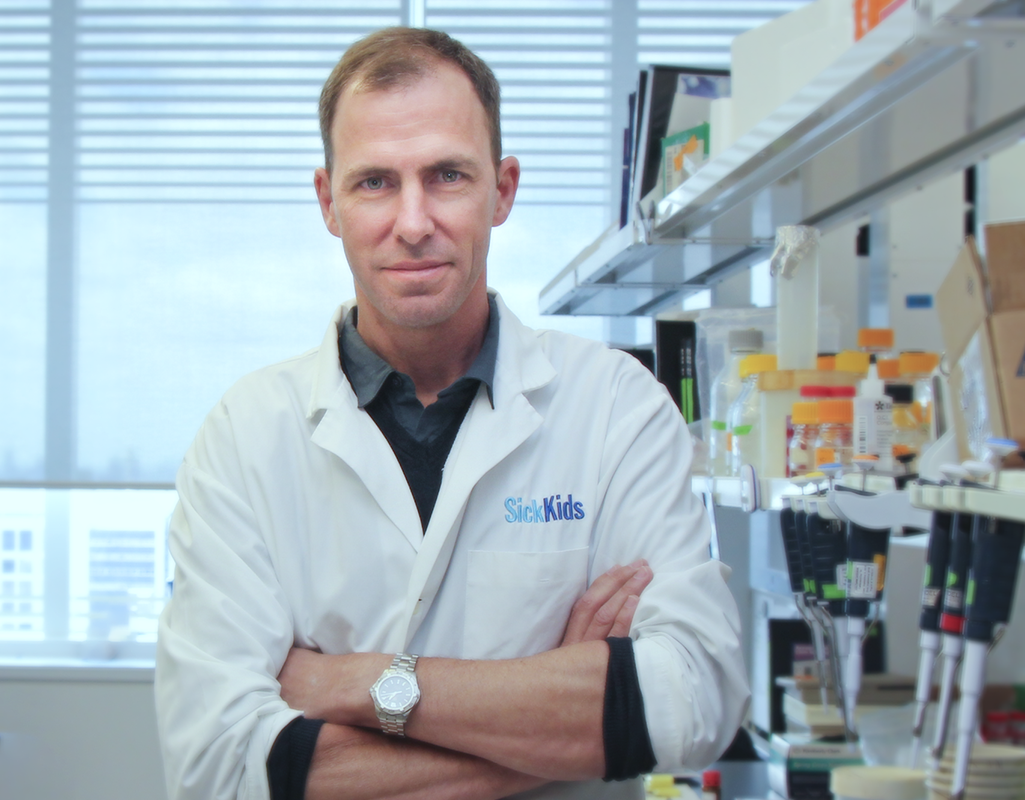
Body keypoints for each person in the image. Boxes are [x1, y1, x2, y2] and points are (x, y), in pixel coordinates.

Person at [155, 26, 748, 800]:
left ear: (501, 190)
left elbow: (692, 700)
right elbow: (220, 768)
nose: (412, 221)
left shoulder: (615, 408)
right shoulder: (244, 437)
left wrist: (355, 685)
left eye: (446, 176)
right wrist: (556, 724)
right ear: (327, 200)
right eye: (374, 182)